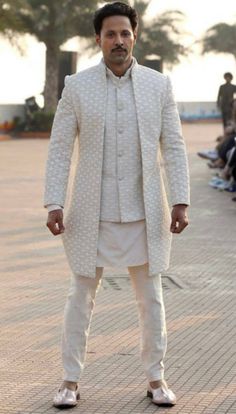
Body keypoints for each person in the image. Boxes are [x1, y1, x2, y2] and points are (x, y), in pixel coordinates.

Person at [44, 2, 190, 409]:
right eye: (110, 34)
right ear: (98, 39)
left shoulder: (158, 86)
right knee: (80, 297)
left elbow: (174, 147)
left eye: (125, 33)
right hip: (93, 212)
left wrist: (180, 200)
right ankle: (70, 381)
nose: (118, 41)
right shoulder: (77, 86)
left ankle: (156, 379)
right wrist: (54, 201)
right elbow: (59, 149)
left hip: (146, 211)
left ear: (135, 35)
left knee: (151, 297)